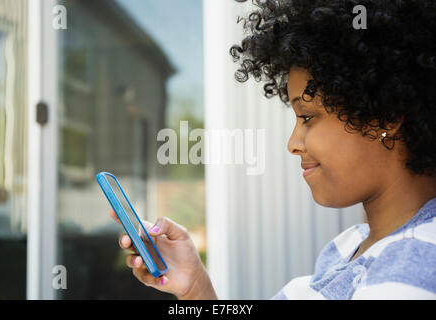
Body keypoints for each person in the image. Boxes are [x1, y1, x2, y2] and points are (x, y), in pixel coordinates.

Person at [110, 0, 436, 299]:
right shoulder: (348, 247)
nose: (293, 144)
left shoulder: (414, 265)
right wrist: (195, 287)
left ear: (387, 116)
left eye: (307, 117)